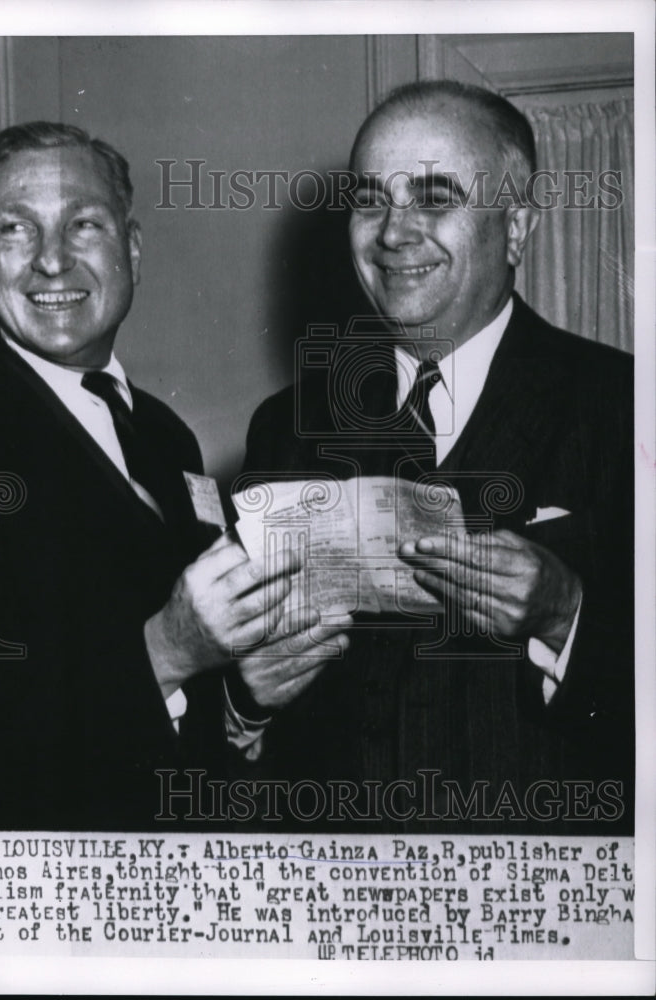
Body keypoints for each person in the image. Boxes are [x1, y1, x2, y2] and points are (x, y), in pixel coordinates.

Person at [0, 122, 350, 831]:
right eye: (16, 229)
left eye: (83, 224)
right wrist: (166, 650)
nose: (51, 262)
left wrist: (240, 698)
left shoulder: (164, 432)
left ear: (132, 251)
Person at [240, 81, 634, 832]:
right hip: (343, 906)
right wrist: (248, 696)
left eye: (432, 197)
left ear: (515, 228)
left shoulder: (624, 408)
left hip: (547, 908)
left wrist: (565, 617)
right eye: (370, 200)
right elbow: (261, 709)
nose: (392, 233)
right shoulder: (285, 429)